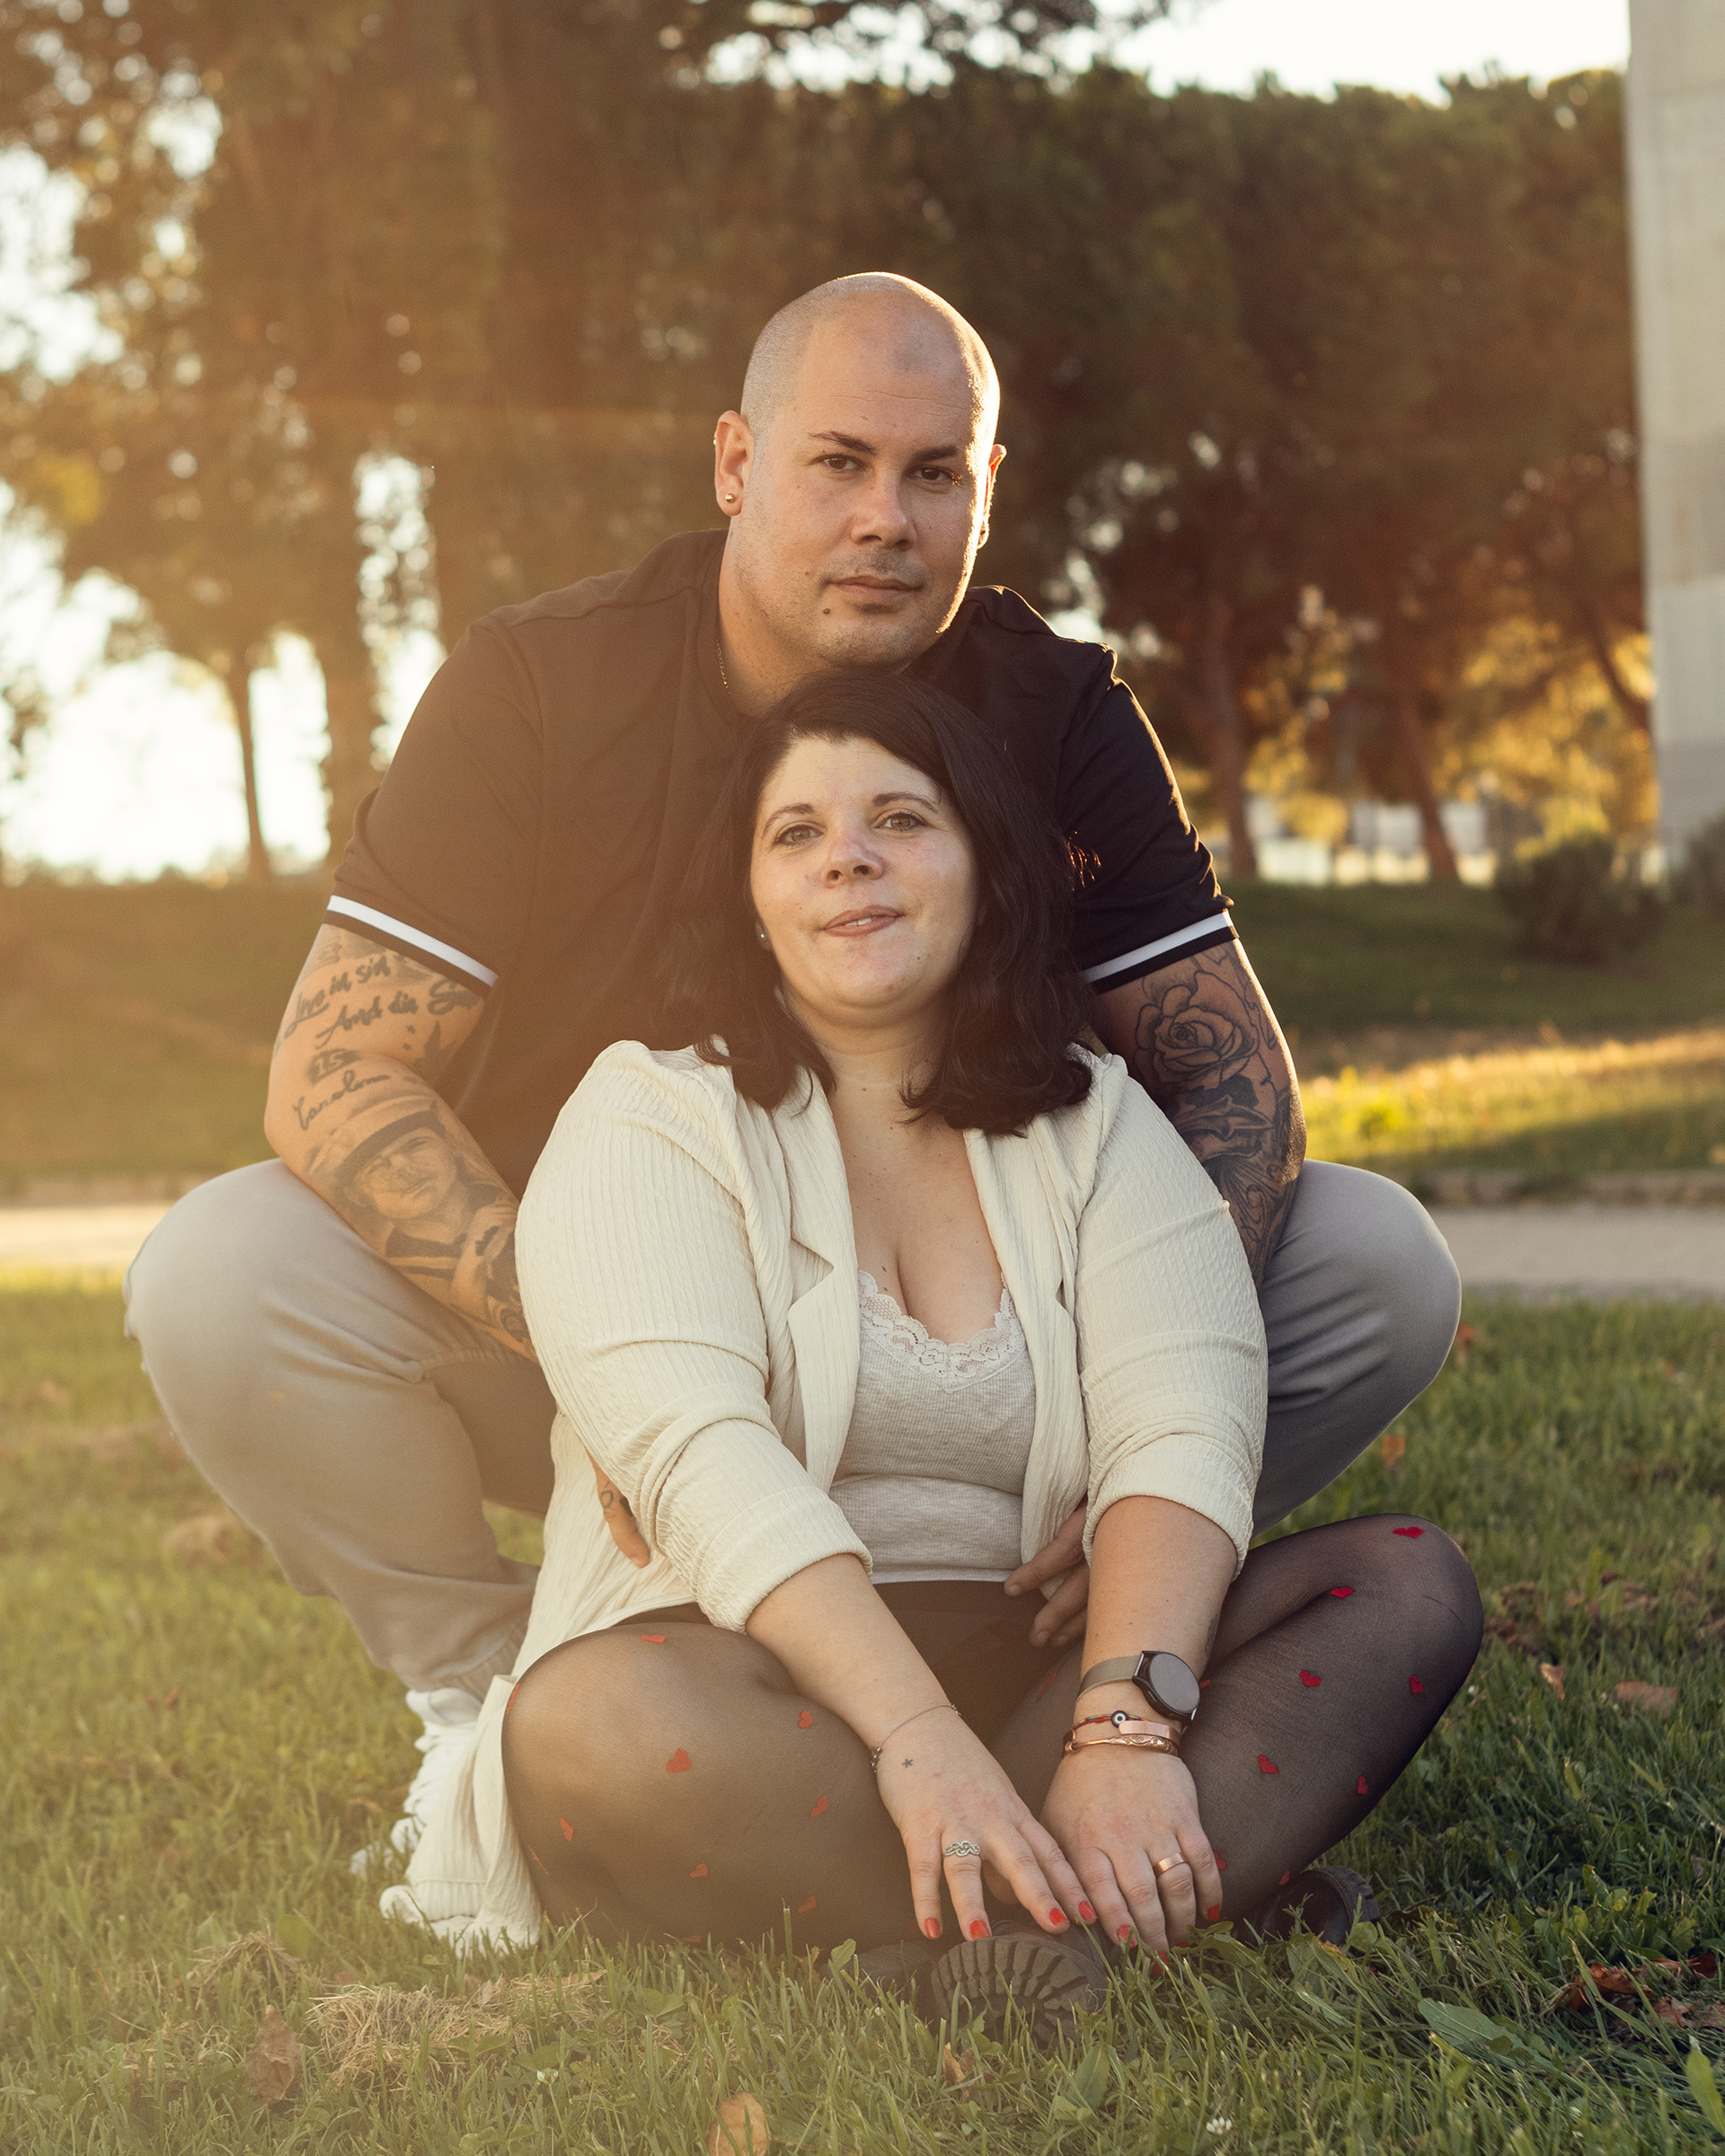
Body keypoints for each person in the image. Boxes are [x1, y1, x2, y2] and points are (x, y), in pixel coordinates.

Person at [122, 271, 1460, 1856]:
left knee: (1374, 1258)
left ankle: (1077, 1615)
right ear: (737, 464)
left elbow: (1232, 1079)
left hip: (973, 1336)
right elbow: (336, 1074)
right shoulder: (542, 685)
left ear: (986, 490)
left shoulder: (1057, 708)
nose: (885, 517)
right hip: (593, 1311)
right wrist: (624, 1358)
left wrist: (1139, 1425)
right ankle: (489, 1699)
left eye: (933, 471)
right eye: (838, 462)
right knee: (225, 1268)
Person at [403, 672, 1482, 2043]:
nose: (847, 856)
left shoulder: (1097, 1123)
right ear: (750, 896)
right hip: (754, 1683)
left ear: (985, 864)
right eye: (795, 833)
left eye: (900, 819)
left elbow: (1186, 1419)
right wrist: (916, 1742)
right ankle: (1120, 1903)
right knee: (598, 1721)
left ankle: (944, 1936)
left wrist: (1124, 1729)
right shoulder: (646, 1112)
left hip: (1041, 1677)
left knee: (1402, 1582)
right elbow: (700, 1462)